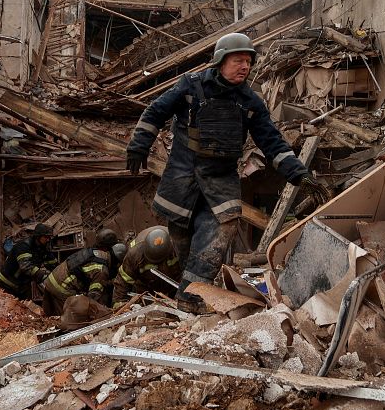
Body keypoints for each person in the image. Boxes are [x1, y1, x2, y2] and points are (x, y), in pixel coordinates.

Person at [125, 33, 311, 312]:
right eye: (238, 60)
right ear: (220, 60)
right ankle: (189, 296)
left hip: (221, 180)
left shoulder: (250, 101)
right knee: (183, 245)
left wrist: (296, 171)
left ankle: (189, 300)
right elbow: (155, 112)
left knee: (222, 230)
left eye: (248, 61)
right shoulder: (190, 86)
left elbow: (271, 139)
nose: (245, 67)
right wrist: (139, 145)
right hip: (183, 176)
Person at [42, 228, 127, 316]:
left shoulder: (93, 252)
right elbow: (94, 296)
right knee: (70, 318)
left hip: (51, 280)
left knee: (50, 317)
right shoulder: (101, 270)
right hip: (62, 288)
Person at [112, 225, 182, 307]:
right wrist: (119, 303)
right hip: (147, 288)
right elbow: (123, 280)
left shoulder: (179, 247)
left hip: (175, 283)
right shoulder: (134, 255)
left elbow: (191, 268)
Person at [0, 223, 58, 300]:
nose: (48, 240)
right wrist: (43, 275)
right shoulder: (24, 246)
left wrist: (58, 272)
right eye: (46, 237)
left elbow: (52, 262)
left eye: (49, 237)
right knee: (6, 308)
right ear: (38, 236)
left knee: (24, 308)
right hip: (7, 284)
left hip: (22, 285)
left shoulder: (42, 248)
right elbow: (26, 267)